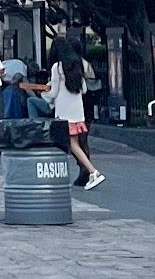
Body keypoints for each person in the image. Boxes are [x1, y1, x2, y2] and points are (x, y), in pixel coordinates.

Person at [31, 53, 105, 190]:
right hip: (77, 113)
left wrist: (44, 92)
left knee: (72, 145)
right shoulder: (77, 65)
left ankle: (93, 171)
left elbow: (53, 93)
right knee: (73, 144)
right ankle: (88, 172)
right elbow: (83, 89)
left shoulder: (57, 67)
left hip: (64, 113)